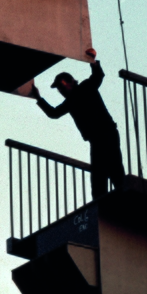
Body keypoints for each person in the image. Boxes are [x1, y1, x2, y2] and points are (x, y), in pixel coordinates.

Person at [31, 49, 125, 198]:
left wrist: (93, 61)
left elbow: (98, 76)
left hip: (106, 135)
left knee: (110, 172)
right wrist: (39, 98)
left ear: (70, 83)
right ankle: (107, 202)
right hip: (100, 137)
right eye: (59, 88)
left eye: (61, 86)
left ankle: (115, 200)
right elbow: (53, 113)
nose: (60, 91)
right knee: (105, 174)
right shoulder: (74, 98)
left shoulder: (85, 88)